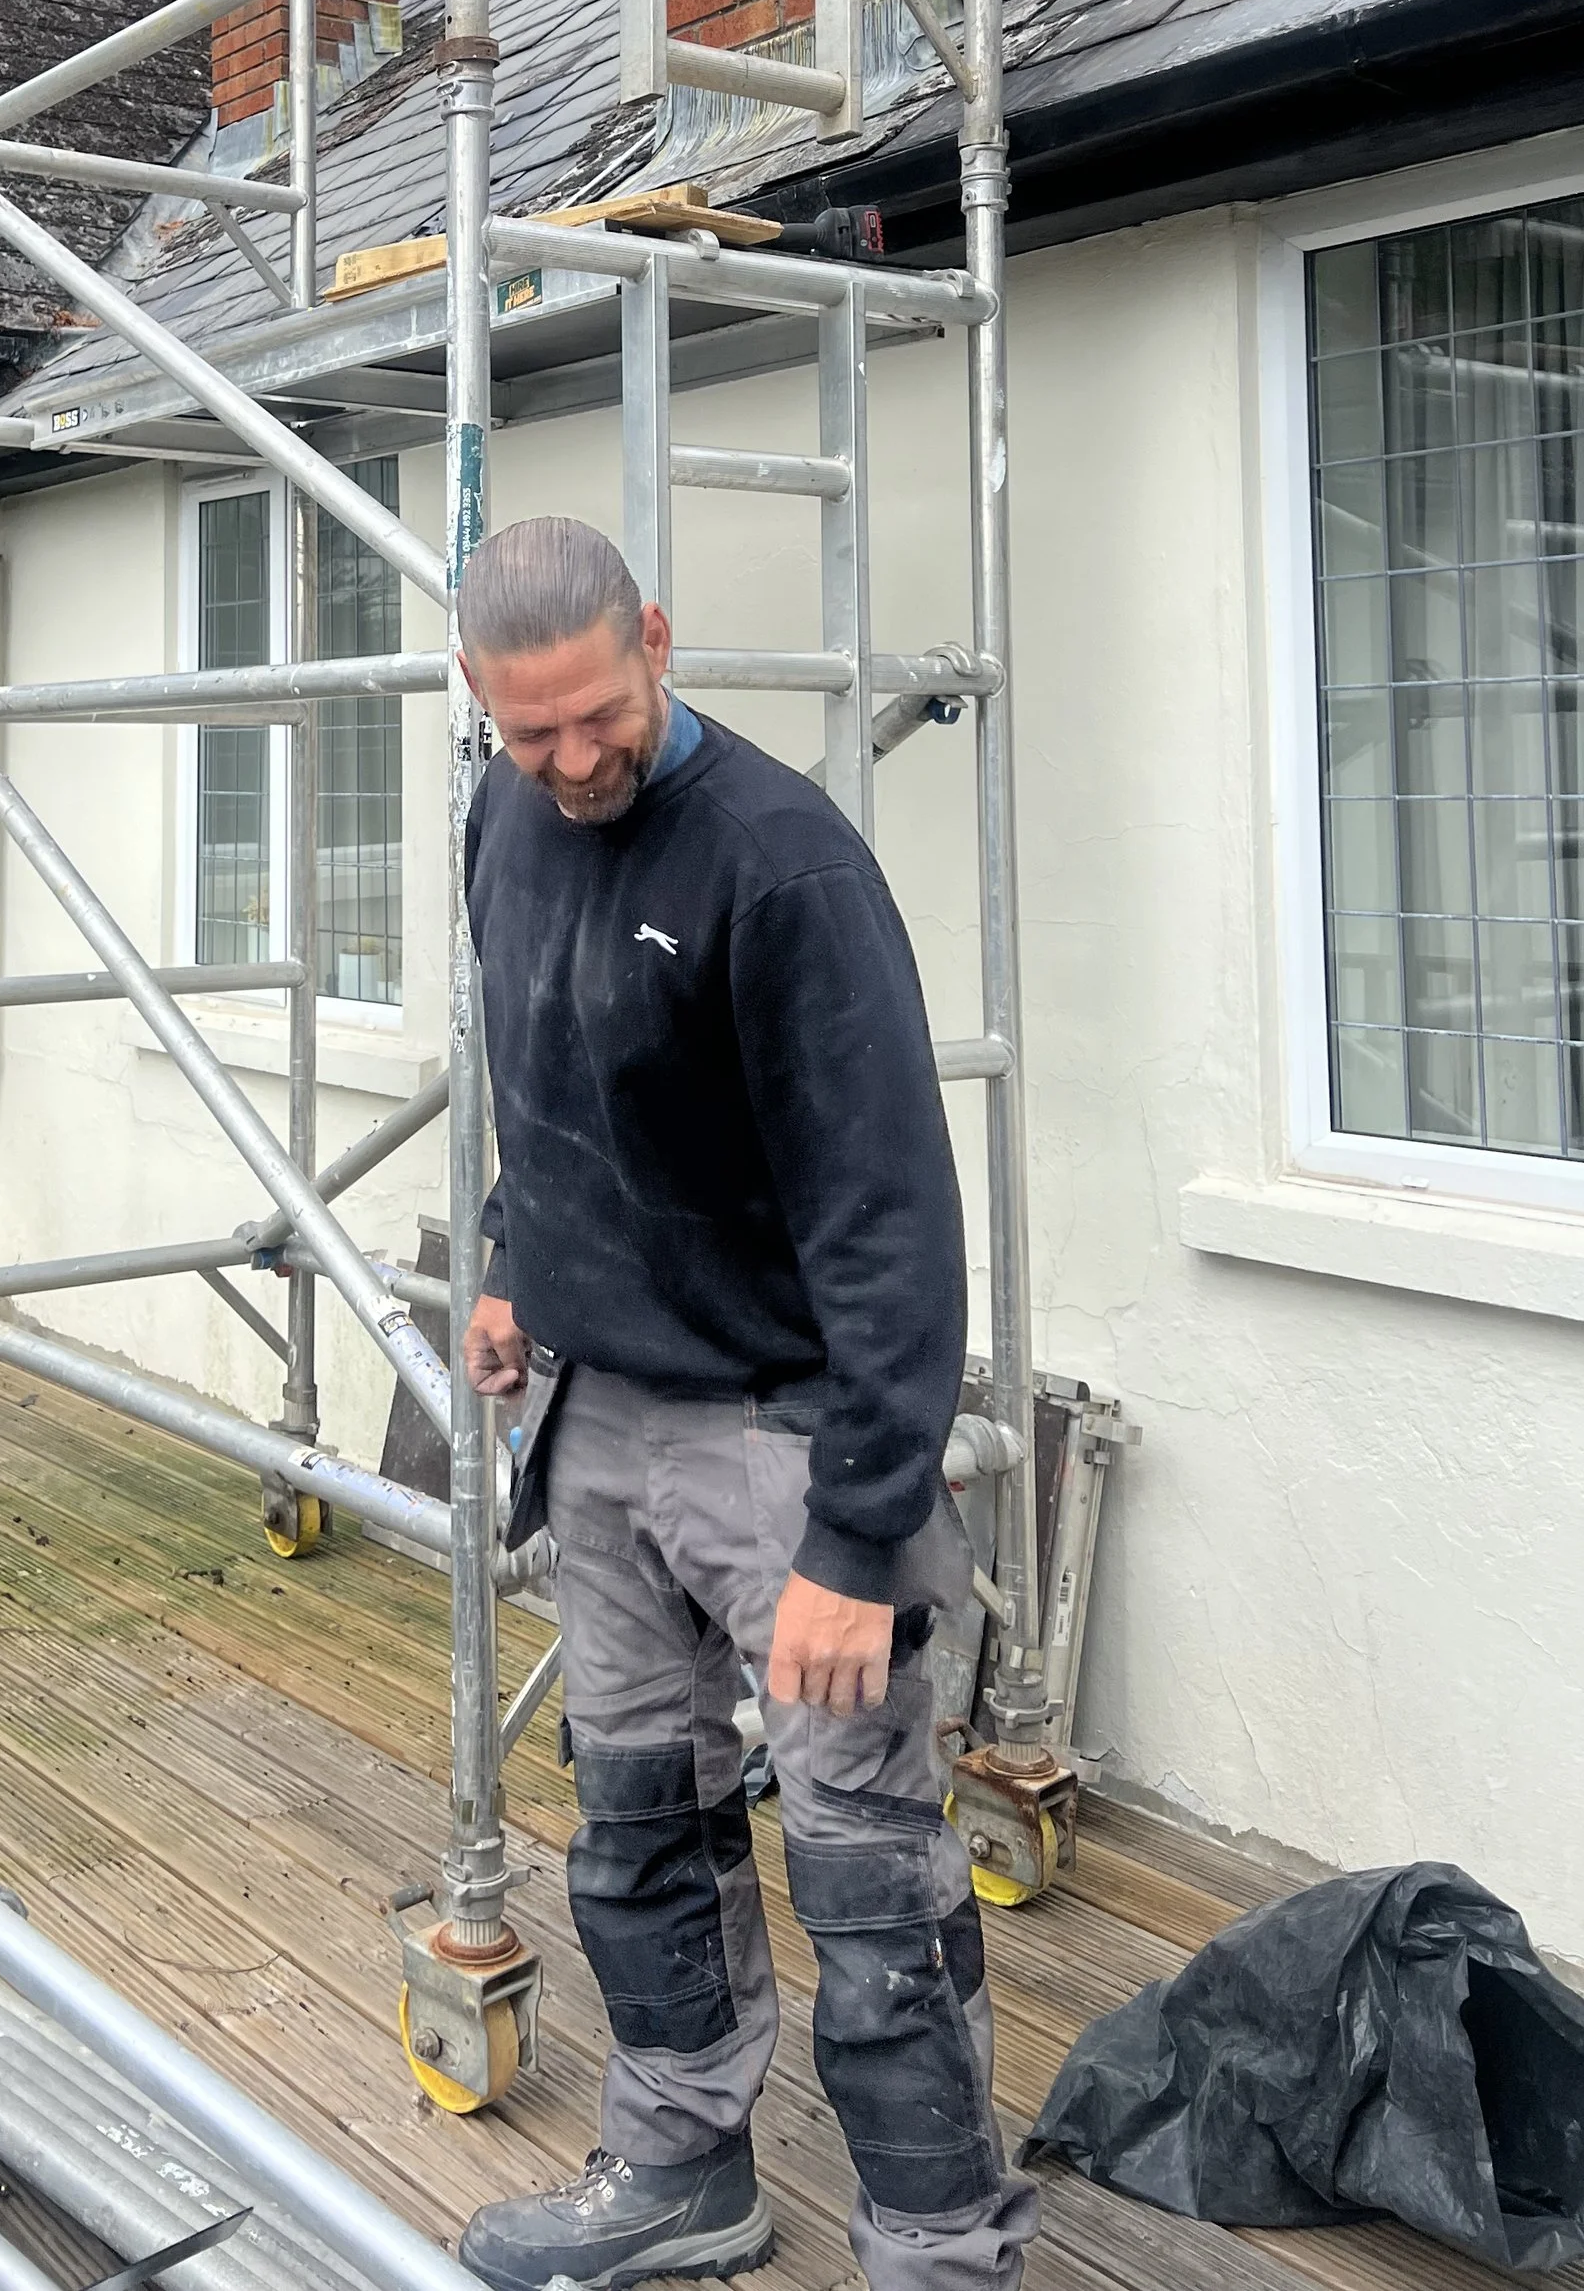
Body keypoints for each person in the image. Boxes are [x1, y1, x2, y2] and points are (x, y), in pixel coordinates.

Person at [451, 515, 1038, 2291]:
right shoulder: (504, 814)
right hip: (599, 1413)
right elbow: (536, 1059)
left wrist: (863, 1534)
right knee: (637, 1823)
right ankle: (682, 2167)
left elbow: (892, 1223)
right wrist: (507, 1260)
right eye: (525, 731)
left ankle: (941, 2242)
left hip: (787, 1444)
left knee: (865, 1870)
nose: (569, 764)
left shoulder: (783, 867)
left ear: (660, 639)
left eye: (597, 716)